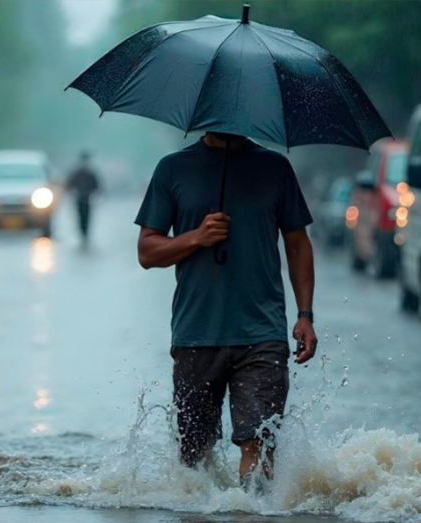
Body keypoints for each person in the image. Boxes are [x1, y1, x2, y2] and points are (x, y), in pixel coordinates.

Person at [135, 132, 318, 485]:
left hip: (262, 335)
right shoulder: (172, 169)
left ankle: (251, 511)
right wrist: (197, 237)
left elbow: (298, 244)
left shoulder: (275, 168)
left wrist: (305, 315)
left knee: (259, 444)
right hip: (195, 334)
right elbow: (146, 251)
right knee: (194, 456)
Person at [65, 151, 101, 245]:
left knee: (86, 218)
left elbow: (97, 187)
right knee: (81, 217)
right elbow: (68, 185)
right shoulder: (78, 173)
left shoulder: (90, 174)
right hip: (79, 199)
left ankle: (85, 234)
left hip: (87, 199)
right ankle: (83, 234)